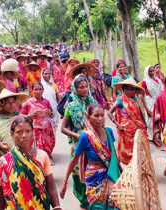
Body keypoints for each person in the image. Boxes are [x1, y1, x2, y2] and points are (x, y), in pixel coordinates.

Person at [0, 116, 61, 210]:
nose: (24, 135)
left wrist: (57, 207)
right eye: (19, 132)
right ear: (12, 134)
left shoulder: (42, 156)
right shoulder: (2, 163)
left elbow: (51, 188)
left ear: (32, 132)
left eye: (28, 131)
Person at [60, 104, 121, 209]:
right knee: (97, 207)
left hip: (110, 174)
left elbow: (114, 155)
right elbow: (74, 160)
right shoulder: (86, 136)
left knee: (113, 205)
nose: (100, 119)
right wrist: (64, 183)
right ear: (88, 117)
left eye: (102, 115)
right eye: (96, 116)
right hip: (94, 177)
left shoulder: (109, 132)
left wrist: (122, 174)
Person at [61, 75, 97, 210]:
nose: (84, 89)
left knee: (95, 173)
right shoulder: (71, 107)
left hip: (95, 144)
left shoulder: (93, 103)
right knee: (80, 175)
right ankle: (83, 203)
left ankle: (94, 202)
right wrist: (77, 135)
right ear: (75, 89)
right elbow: (63, 128)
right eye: (80, 87)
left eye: (86, 86)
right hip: (79, 145)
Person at [107, 77, 147, 165]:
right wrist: (117, 124)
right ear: (123, 90)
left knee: (137, 147)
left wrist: (145, 123)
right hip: (125, 129)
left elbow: (140, 112)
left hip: (137, 127)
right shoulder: (120, 101)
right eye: (127, 89)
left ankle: (136, 166)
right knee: (125, 149)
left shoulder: (135, 100)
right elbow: (109, 113)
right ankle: (124, 167)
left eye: (131, 89)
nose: (129, 91)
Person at [21, 82, 56, 164]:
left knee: (48, 142)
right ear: (31, 90)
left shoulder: (46, 101)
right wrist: (30, 115)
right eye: (35, 89)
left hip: (46, 126)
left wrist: (49, 112)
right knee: (37, 144)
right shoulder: (28, 102)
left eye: (40, 89)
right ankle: (38, 159)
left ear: (43, 90)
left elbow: (51, 113)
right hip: (34, 127)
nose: (38, 91)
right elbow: (21, 115)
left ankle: (48, 157)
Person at [140, 65, 163, 143]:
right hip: (149, 101)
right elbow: (141, 96)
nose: (152, 72)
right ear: (147, 72)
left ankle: (158, 135)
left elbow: (161, 92)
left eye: (153, 70)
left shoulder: (158, 81)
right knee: (151, 119)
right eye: (150, 71)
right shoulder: (145, 82)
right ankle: (150, 136)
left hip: (158, 101)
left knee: (159, 118)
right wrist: (146, 108)